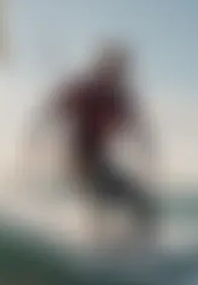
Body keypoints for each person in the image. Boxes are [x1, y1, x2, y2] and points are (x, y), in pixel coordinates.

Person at [25, 43, 157, 248]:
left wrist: (146, 158)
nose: (119, 73)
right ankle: (99, 246)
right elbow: (48, 113)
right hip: (79, 160)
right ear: (103, 66)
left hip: (99, 161)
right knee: (101, 200)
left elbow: (140, 132)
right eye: (115, 66)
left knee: (140, 203)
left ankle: (134, 248)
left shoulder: (118, 98)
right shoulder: (85, 90)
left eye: (121, 68)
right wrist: (33, 146)